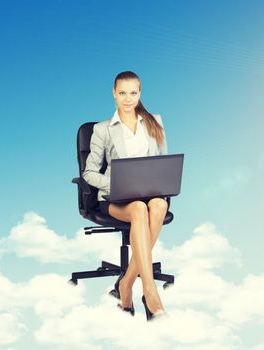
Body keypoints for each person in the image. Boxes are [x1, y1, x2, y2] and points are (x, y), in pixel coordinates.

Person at [83, 71, 168, 320]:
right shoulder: (103, 129)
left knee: (159, 206)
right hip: (115, 199)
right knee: (140, 210)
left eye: (133, 93)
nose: (128, 99)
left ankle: (126, 283)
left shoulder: (155, 122)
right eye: (122, 93)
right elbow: (88, 172)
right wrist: (115, 183)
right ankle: (150, 293)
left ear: (140, 93)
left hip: (149, 192)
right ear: (114, 93)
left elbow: (163, 163)